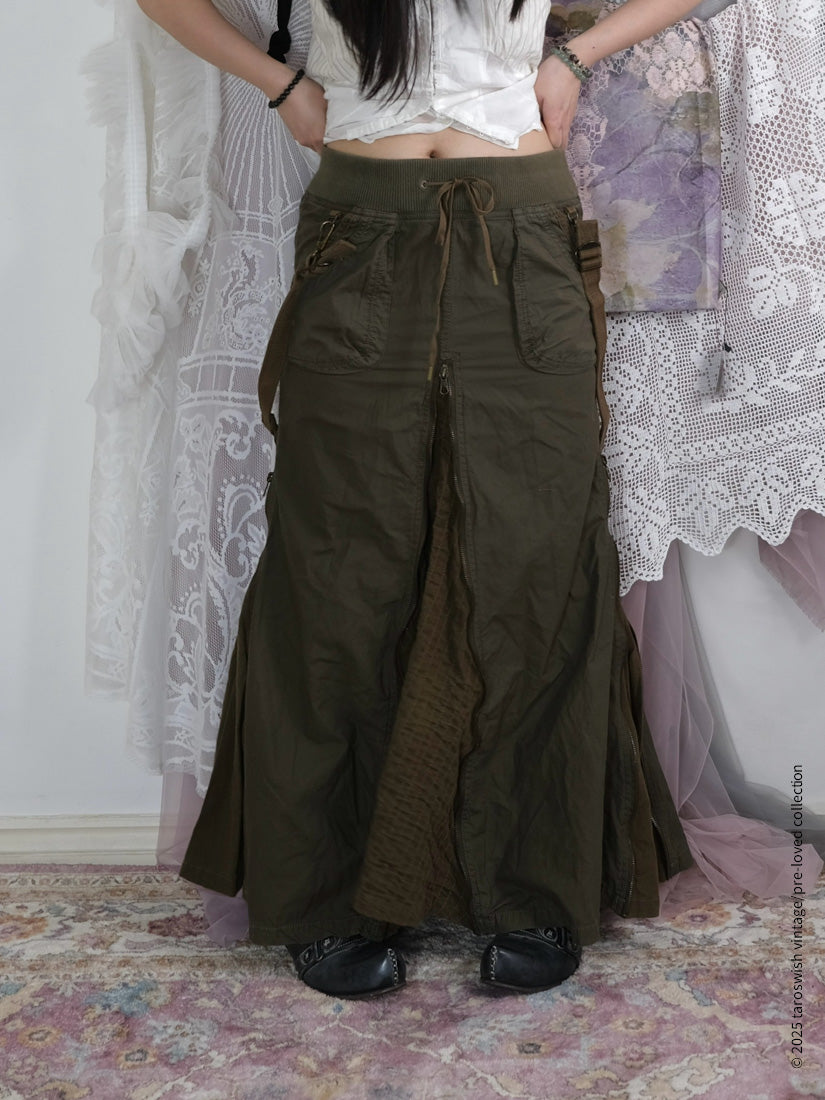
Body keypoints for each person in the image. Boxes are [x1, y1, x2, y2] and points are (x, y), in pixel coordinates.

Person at [137, 0, 701, 999]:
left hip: (522, 224)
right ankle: (326, 895)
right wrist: (280, 81)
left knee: (532, 559)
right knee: (338, 568)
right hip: (360, 226)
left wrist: (574, 55)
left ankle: (536, 888)